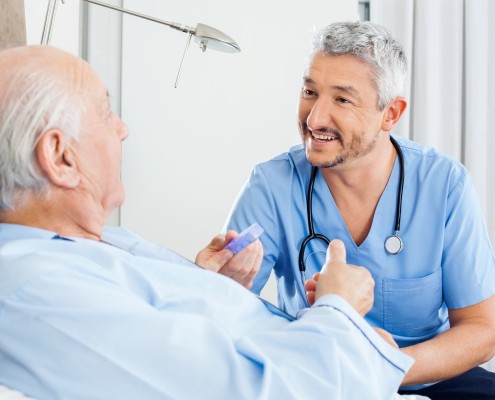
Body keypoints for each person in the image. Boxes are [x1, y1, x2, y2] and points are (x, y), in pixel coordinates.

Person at [0, 45, 416, 400]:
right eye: (106, 114)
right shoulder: (34, 288)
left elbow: (177, 346)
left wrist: (208, 286)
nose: (123, 130)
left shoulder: (96, 242)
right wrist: (340, 311)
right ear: (60, 157)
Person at [224, 20, 495, 399]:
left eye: (342, 99)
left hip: (425, 374)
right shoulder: (271, 185)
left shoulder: (444, 184)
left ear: (391, 114)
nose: (314, 118)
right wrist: (217, 282)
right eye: (309, 91)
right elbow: (222, 315)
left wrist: (383, 368)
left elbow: (481, 329)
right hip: (315, 376)